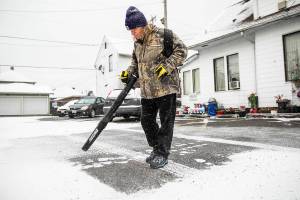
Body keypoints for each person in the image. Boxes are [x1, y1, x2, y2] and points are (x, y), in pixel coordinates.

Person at [120, 6, 187, 169]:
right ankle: (157, 149)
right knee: (146, 120)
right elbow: (135, 64)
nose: (132, 33)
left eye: (133, 29)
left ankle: (162, 154)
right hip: (147, 90)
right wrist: (127, 73)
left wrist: (168, 65)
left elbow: (182, 50)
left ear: (142, 25)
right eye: (130, 31)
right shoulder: (137, 44)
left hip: (166, 88)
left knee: (166, 123)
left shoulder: (163, 35)